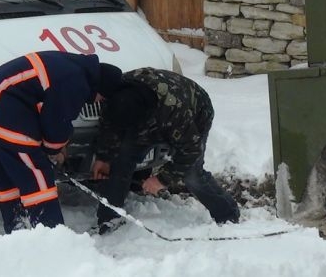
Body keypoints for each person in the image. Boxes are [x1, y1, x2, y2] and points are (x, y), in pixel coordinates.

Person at [0, 51, 122, 233]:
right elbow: (56, 121)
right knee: (38, 176)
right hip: (2, 112)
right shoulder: (76, 80)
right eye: (103, 98)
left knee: (9, 180)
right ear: (102, 88)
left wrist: (58, 145)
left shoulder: (71, 67)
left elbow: (47, 109)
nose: (99, 101)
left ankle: (17, 229)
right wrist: (55, 150)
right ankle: (52, 235)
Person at [91, 67, 240, 234]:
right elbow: (108, 126)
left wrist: (162, 180)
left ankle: (228, 214)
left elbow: (191, 151)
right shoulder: (116, 95)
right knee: (121, 159)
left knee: (192, 174)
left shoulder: (173, 112)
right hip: (150, 110)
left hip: (196, 109)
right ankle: (110, 219)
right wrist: (104, 157)